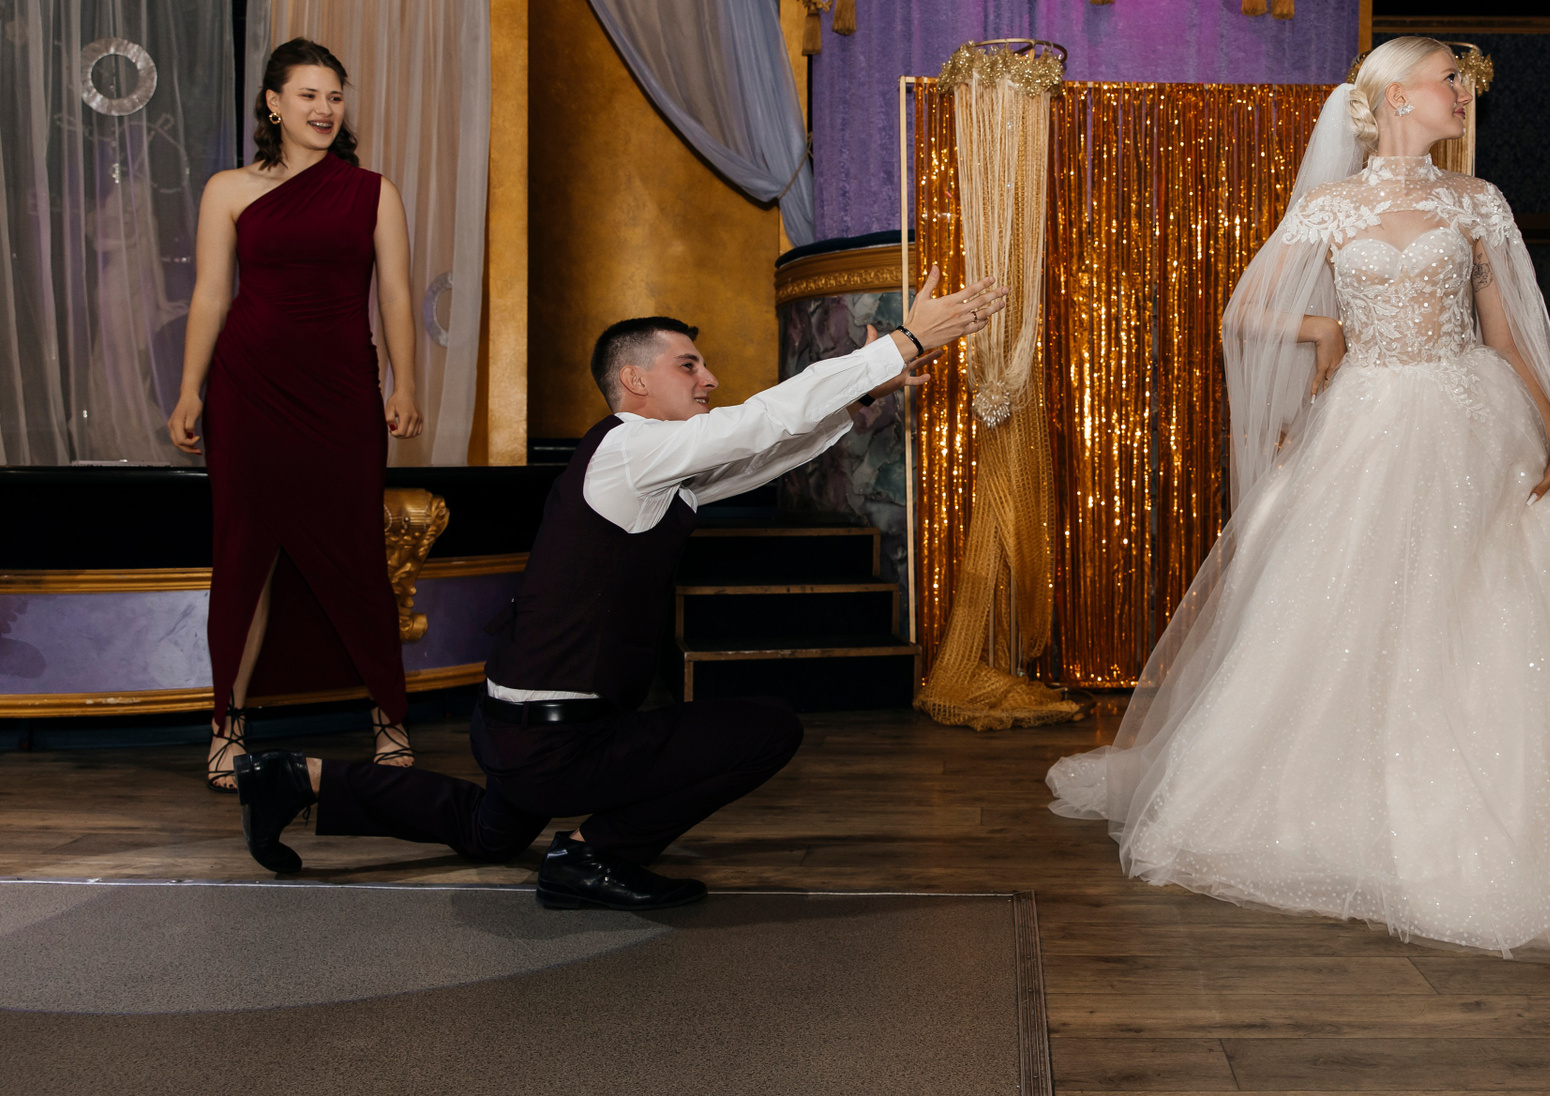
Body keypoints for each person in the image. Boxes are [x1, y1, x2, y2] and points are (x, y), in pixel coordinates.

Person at [1046, 37, 1550, 964]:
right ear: (1398, 95)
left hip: (1472, 417)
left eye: (1462, 81)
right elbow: (1244, 312)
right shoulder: (1331, 207)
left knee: (1500, 607)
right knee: (1352, 607)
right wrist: (1324, 328)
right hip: (1368, 422)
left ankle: (1517, 821)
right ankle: (1344, 810)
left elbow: (1508, 334)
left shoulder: (1477, 201)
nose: (1463, 93)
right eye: (1449, 79)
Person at [232, 268, 1005, 911]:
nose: (709, 379)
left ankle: (294, 777)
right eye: (689, 366)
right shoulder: (631, 450)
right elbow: (756, 424)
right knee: (769, 729)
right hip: (555, 739)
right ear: (634, 380)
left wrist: (860, 396)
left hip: (518, 730)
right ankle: (592, 855)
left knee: (488, 832)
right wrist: (903, 340)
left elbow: (758, 457)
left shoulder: (646, 464)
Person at [170, 38, 423, 792]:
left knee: (357, 556)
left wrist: (405, 384)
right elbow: (211, 295)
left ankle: (390, 722)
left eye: (334, 96)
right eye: (309, 94)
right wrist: (190, 389)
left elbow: (396, 295)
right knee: (242, 558)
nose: (324, 108)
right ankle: (226, 727)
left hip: (341, 392)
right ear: (274, 103)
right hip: (247, 391)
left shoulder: (373, 192)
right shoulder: (228, 189)